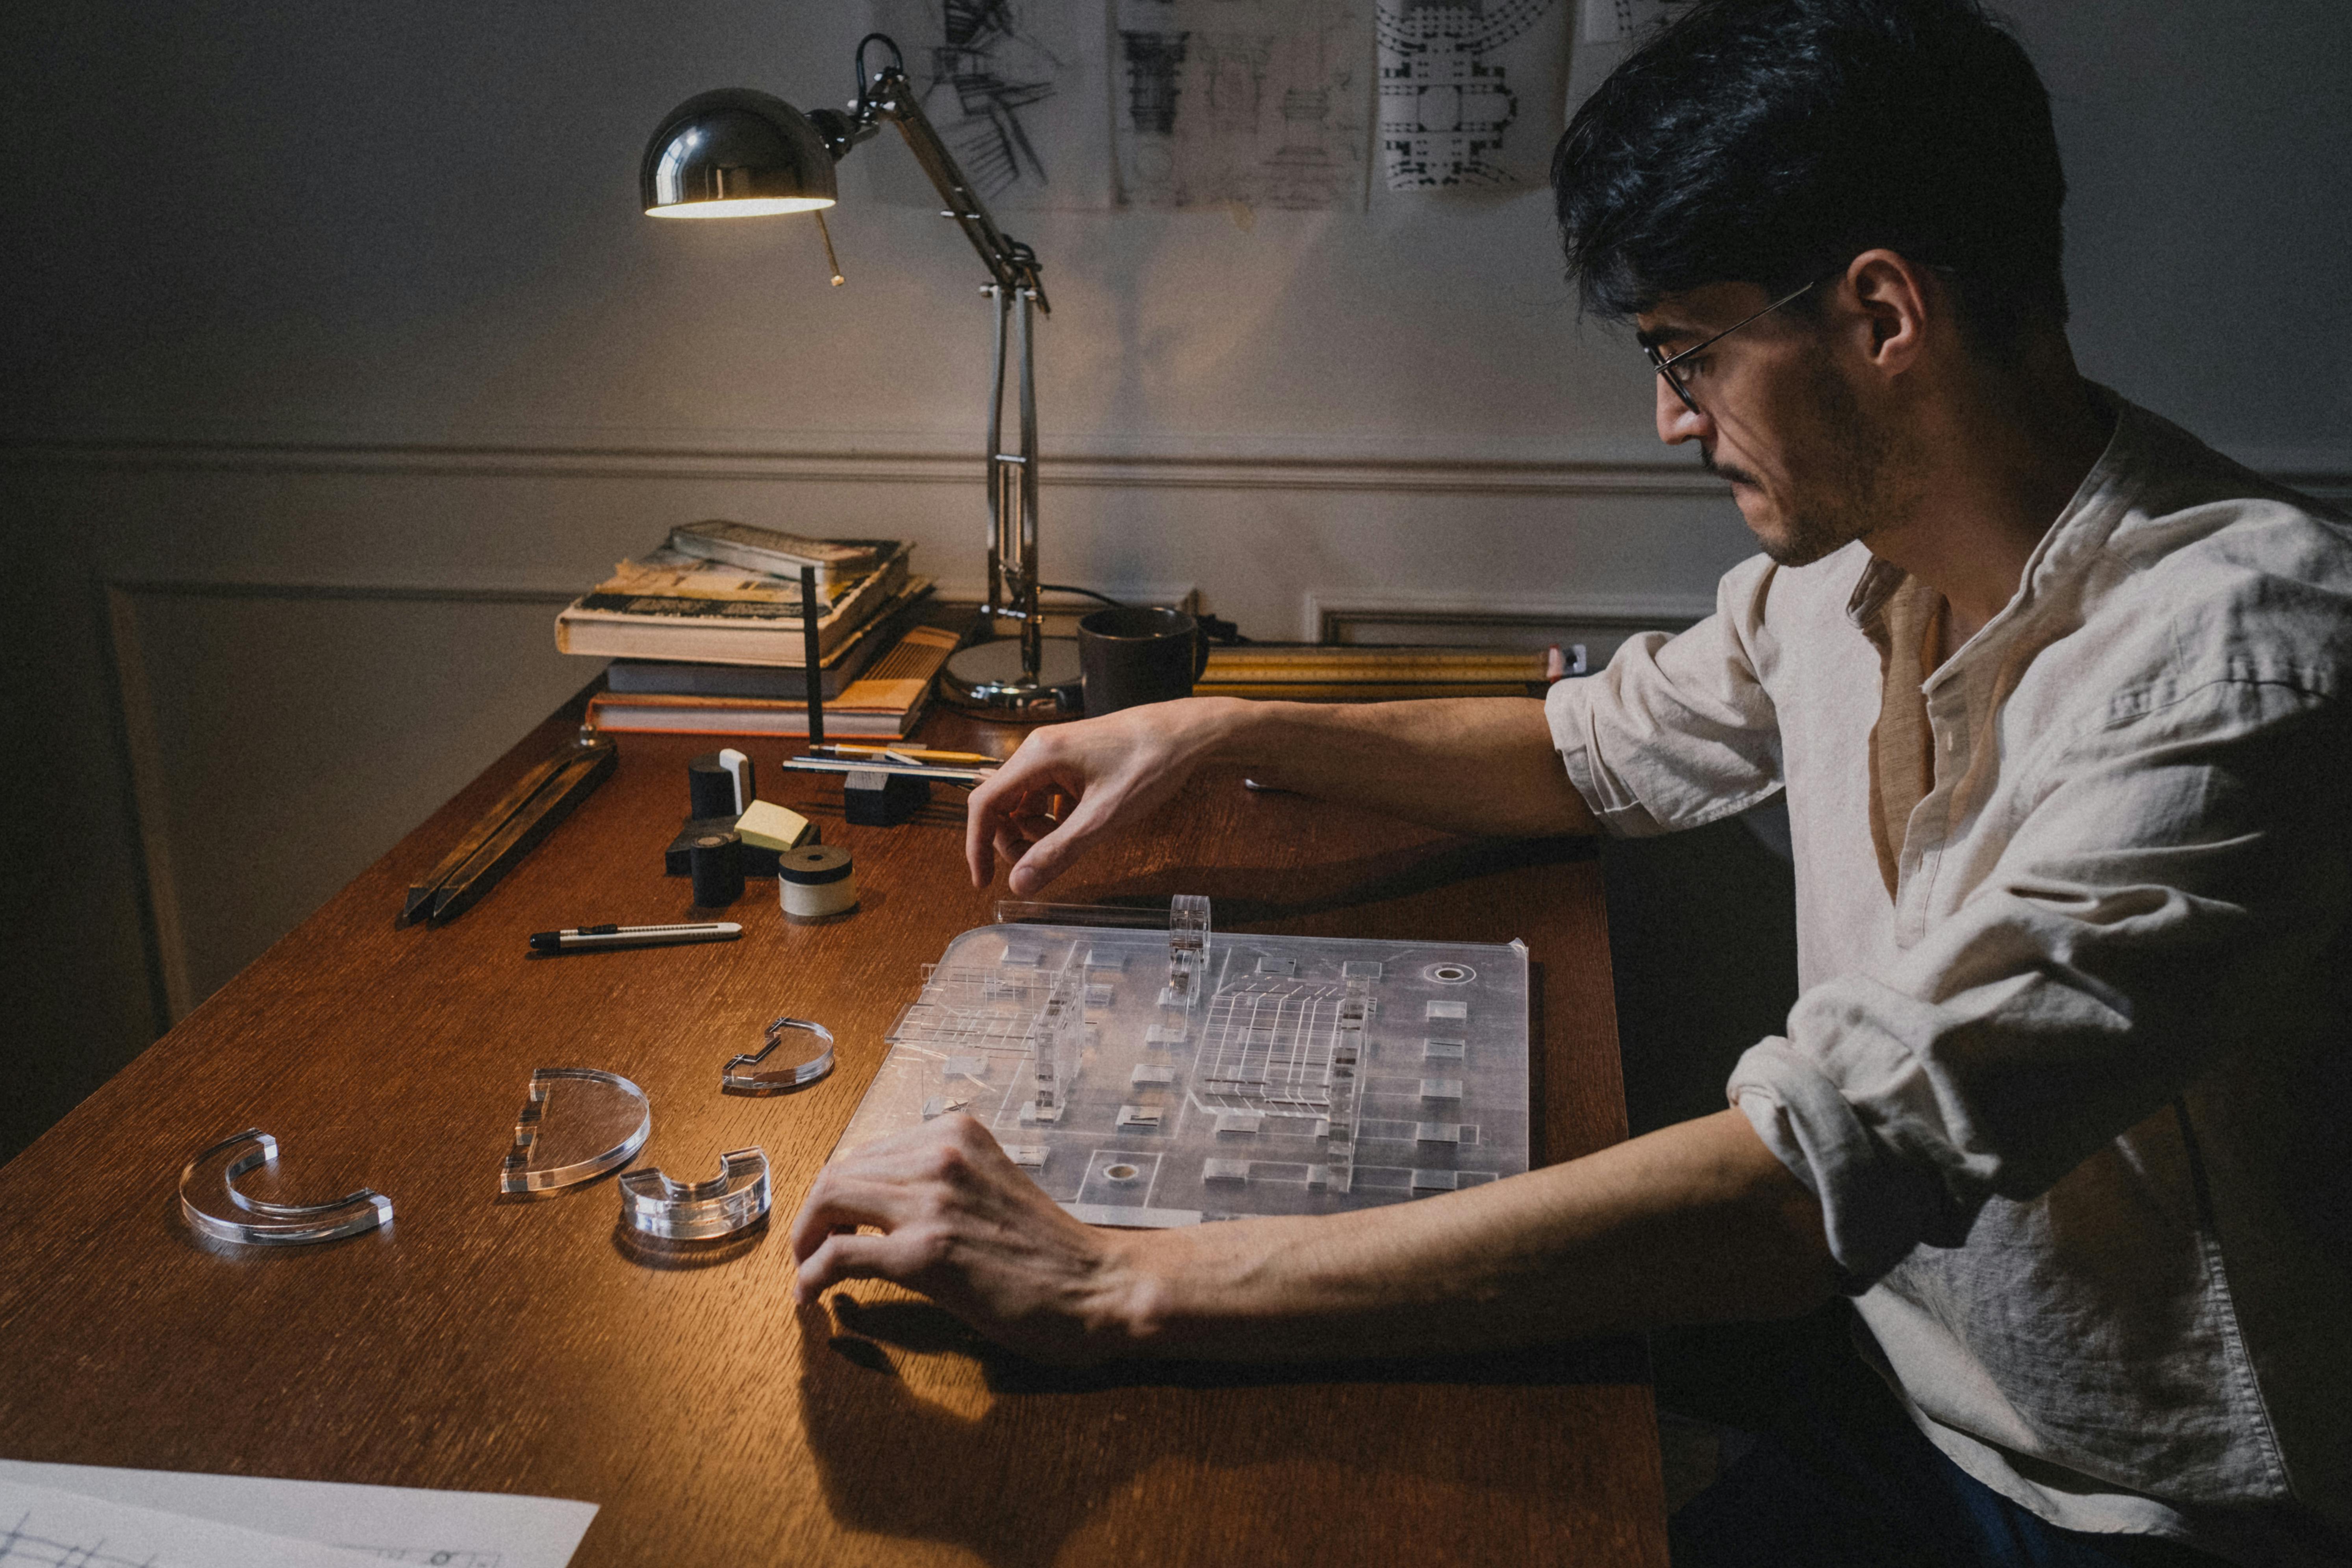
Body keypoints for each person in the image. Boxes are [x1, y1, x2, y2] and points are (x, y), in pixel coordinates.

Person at [790, 1, 2352, 1561]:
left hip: (2128, 1513)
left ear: (1883, 317)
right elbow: (1591, 744)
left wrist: (1115, 1284)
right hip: (1888, 1382)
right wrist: (1224, 732)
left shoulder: (2246, 661)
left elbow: (1817, 1180)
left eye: (1690, 351)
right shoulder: (1849, 569)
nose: (1669, 416)